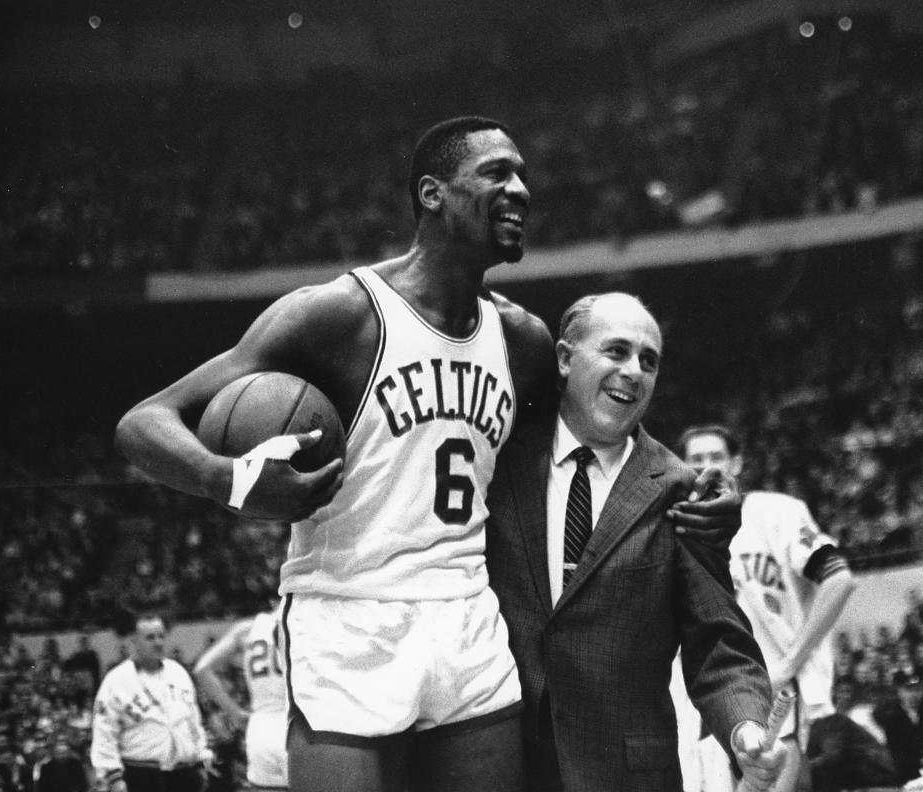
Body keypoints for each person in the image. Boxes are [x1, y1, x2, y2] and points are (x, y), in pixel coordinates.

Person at [114, 117, 740, 792]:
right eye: (498, 173)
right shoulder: (340, 315)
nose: (521, 189)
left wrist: (692, 488)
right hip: (348, 611)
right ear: (433, 193)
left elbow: (605, 429)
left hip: (465, 613)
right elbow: (144, 422)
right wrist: (227, 479)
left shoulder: (521, 339)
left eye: (524, 175)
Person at [484, 292, 785, 792]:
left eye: (649, 361)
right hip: (506, 766)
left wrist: (745, 728)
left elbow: (720, 643)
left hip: (627, 776)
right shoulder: (502, 457)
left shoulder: (680, 490)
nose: (634, 371)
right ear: (564, 358)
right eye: (616, 351)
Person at [675, 424, 857, 792]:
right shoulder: (676, 525)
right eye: (696, 460)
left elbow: (839, 579)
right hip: (702, 699)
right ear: (680, 466)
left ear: (737, 464)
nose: (706, 466)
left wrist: (790, 663)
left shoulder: (777, 513)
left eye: (717, 457)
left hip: (771, 690)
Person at [90, 611, 212, 792]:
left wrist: (201, 759)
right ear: (134, 641)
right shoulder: (116, 681)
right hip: (141, 773)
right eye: (150, 637)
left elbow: (194, 722)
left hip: (184, 773)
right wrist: (113, 776)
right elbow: (104, 732)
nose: (158, 642)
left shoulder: (178, 672)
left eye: (161, 636)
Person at [193, 603, 287, 790]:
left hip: (260, 729)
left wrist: (233, 711)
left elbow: (201, 669)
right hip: (296, 728)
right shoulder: (304, 625)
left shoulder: (248, 628)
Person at [805, 677, 896, 792]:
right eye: (843, 691)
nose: (847, 696)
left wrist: (803, 767)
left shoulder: (836, 720)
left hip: (876, 771)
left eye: (849, 692)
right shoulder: (821, 721)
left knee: (825, 769)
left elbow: (831, 756)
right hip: (866, 768)